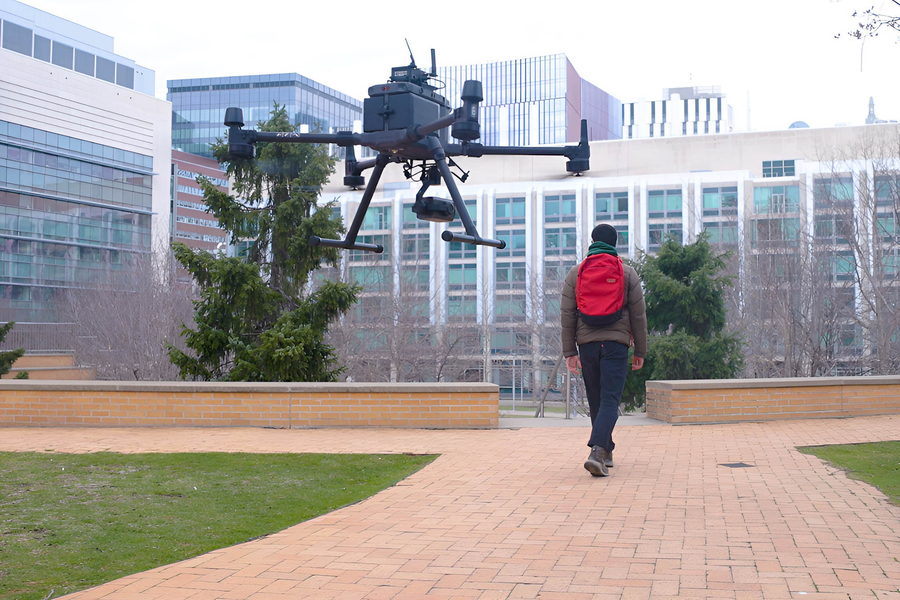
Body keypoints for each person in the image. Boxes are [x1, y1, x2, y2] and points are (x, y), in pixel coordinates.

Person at [560, 224, 648, 477]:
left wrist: (570, 352)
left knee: (597, 399)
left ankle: (606, 450)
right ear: (615, 243)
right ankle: (598, 451)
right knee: (610, 399)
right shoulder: (627, 273)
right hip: (616, 343)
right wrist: (640, 350)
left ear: (593, 241)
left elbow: (568, 315)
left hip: (586, 344)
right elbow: (638, 316)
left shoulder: (576, 273)